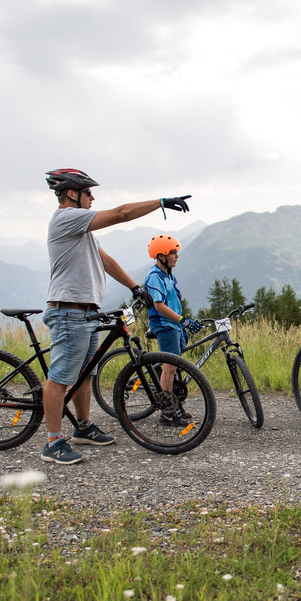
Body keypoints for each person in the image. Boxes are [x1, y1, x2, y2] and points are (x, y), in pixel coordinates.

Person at [41, 168, 191, 464]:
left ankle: (83, 427)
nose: (93, 197)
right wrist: (160, 202)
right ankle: (53, 442)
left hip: (86, 311)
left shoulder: (82, 231)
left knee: (86, 374)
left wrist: (135, 287)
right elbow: (121, 213)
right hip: (69, 310)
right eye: (88, 193)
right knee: (60, 379)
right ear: (72, 194)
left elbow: (105, 260)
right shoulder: (67, 218)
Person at [143, 234, 203, 424]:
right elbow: (159, 306)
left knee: (174, 366)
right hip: (165, 325)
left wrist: (183, 323)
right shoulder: (154, 277)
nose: (176, 256)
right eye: (173, 253)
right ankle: (167, 412)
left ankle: (175, 403)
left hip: (174, 325)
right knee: (169, 368)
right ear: (161, 256)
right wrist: (183, 321)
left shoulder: (169, 275)